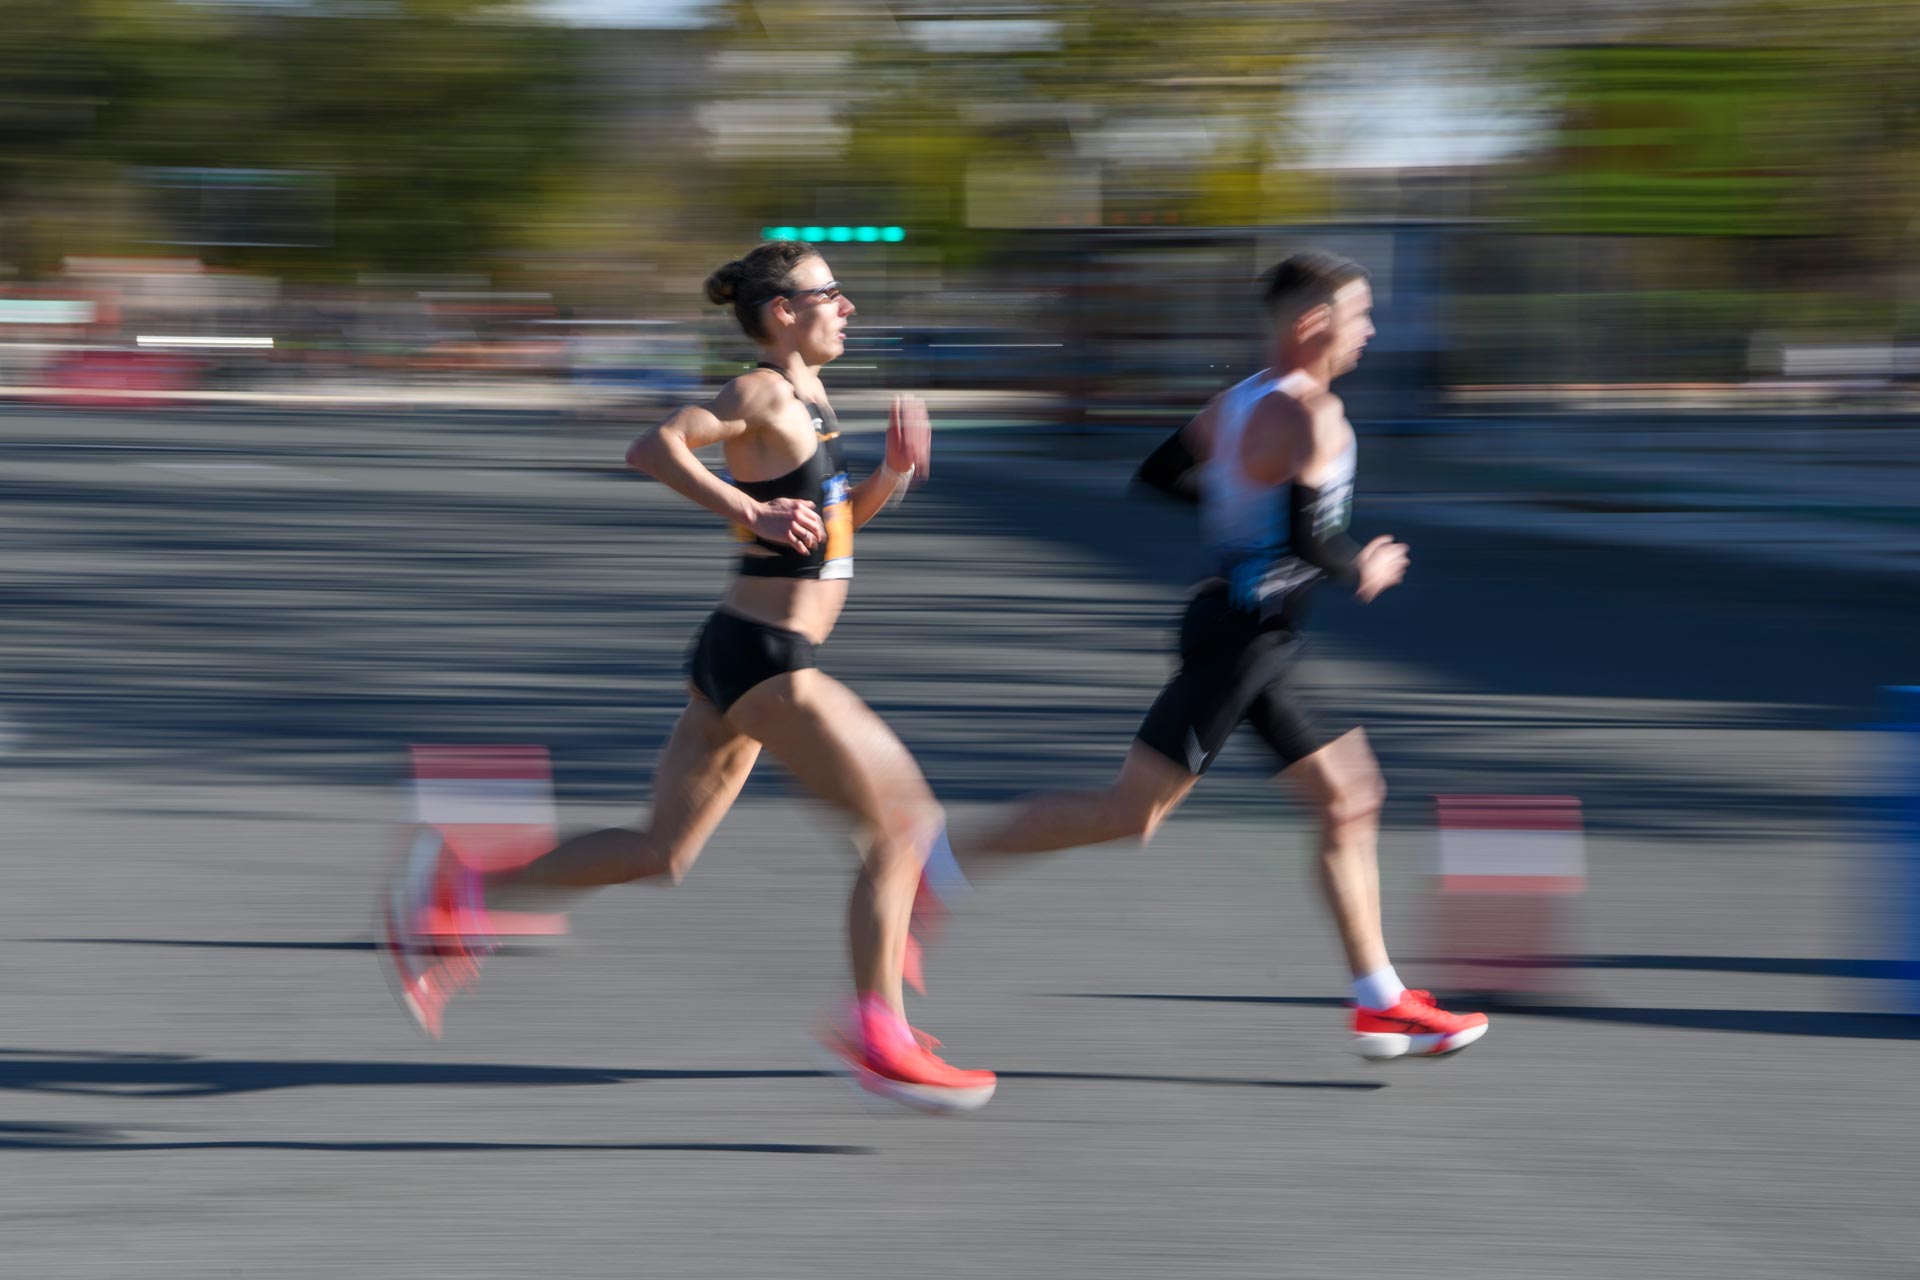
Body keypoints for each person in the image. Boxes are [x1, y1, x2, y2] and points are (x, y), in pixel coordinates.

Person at [381, 240, 995, 1112]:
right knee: (907, 826)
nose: (848, 307)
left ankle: (460, 893)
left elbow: (830, 534)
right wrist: (746, 507)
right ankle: (876, 1034)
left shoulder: (812, 398)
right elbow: (654, 446)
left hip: (741, 650)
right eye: (833, 293)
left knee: (659, 853)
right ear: (784, 310)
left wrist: (890, 476)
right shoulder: (761, 391)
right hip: (769, 659)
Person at [944, 251, 1488, 1060]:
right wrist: (1364, 566)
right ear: (1313, 325)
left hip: (1251, 633)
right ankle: (939, 863)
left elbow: (1161, 474)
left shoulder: (1237, 402)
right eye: (1361, 315)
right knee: (1132, 814)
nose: (1372, 331)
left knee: (1350, 796)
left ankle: (1378, 998)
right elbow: (1314, 540)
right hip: (1243, 640)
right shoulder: (1312, 414)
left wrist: (1236, 514)